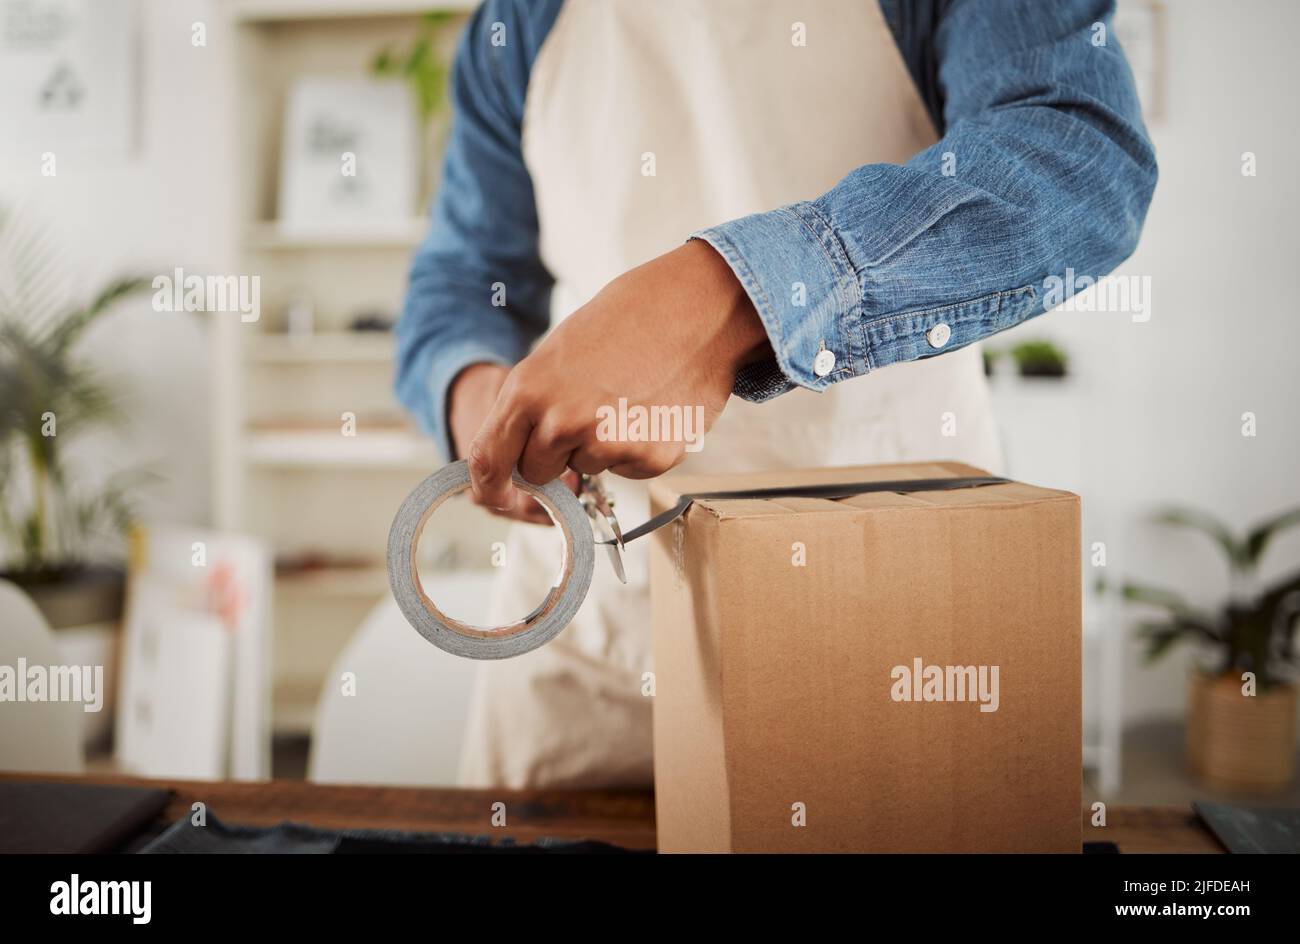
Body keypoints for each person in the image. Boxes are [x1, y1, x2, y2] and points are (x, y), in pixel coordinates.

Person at [395, 0, 1157, 788]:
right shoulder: (517, 20)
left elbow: (1075, 147)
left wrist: (729, 296)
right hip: (598, 645)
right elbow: (460, 279)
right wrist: (478, 396)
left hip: (897, 612)